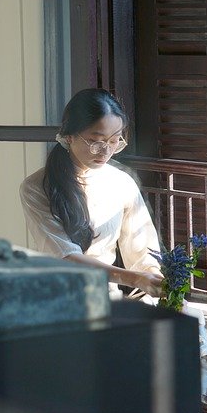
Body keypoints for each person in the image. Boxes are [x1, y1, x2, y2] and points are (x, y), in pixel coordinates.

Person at [20, 88, 164, 301]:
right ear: (69, 136)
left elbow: (144, 253)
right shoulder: (36, 188)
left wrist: (156, 284)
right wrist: (135, 279)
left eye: (114, 140)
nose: (106, 150)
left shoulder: (122, 182)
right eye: (96, 141)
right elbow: (67, 258)